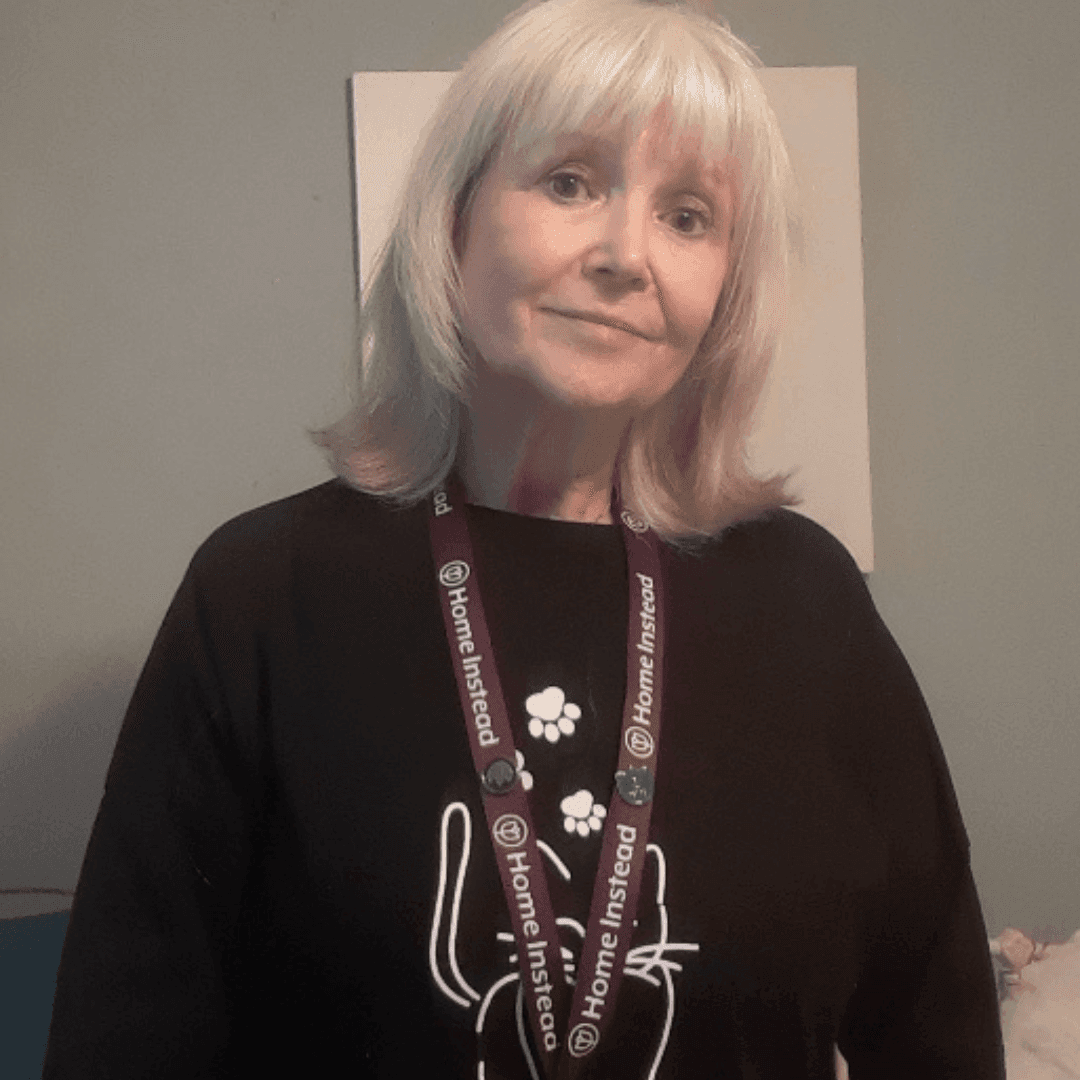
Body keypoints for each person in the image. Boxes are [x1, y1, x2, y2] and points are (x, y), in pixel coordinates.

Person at [44, 0, 1006, 1077]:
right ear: (453, 222)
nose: (625, 254)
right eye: (570, 181)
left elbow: (940, 1027)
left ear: (725, 293)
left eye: (689, 215)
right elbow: (123, 1043)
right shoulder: (263, 595)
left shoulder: (808, 599)